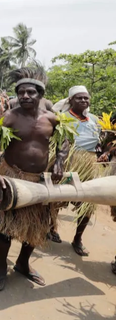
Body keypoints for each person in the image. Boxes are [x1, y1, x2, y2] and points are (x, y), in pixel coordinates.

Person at [0, 66, 68, 291]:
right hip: (11, 177)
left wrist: (60, 161)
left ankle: (22, 263)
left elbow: (64, 142)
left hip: (39, 180)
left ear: (40, 95)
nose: (25, 96)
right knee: (5, 225)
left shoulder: (52, 118)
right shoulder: (9, 116)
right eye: (21, 92)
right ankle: (2, 265)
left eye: (31, 92)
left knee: (35, 227)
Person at [52, 86, 102, 256]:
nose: (83, 101)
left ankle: (77, 239)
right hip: (68, 161)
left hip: (89, 164)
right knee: (58, 199)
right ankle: (52, 228)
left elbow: (99, 140)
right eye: (79, 98)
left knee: (87, 204)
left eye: (86, 98)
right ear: (70, 100)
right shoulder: (62, 117)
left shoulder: (95, 119)